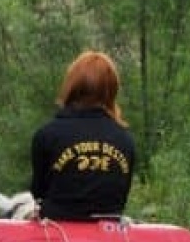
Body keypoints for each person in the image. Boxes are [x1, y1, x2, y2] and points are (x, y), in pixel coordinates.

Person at [30, 50, 135, 220]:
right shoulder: (125, 141)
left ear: (72, 87)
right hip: (108, 236)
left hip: (57, 234)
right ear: (112, 90)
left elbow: (38, 194)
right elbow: (121, 199)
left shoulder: (47, 136)